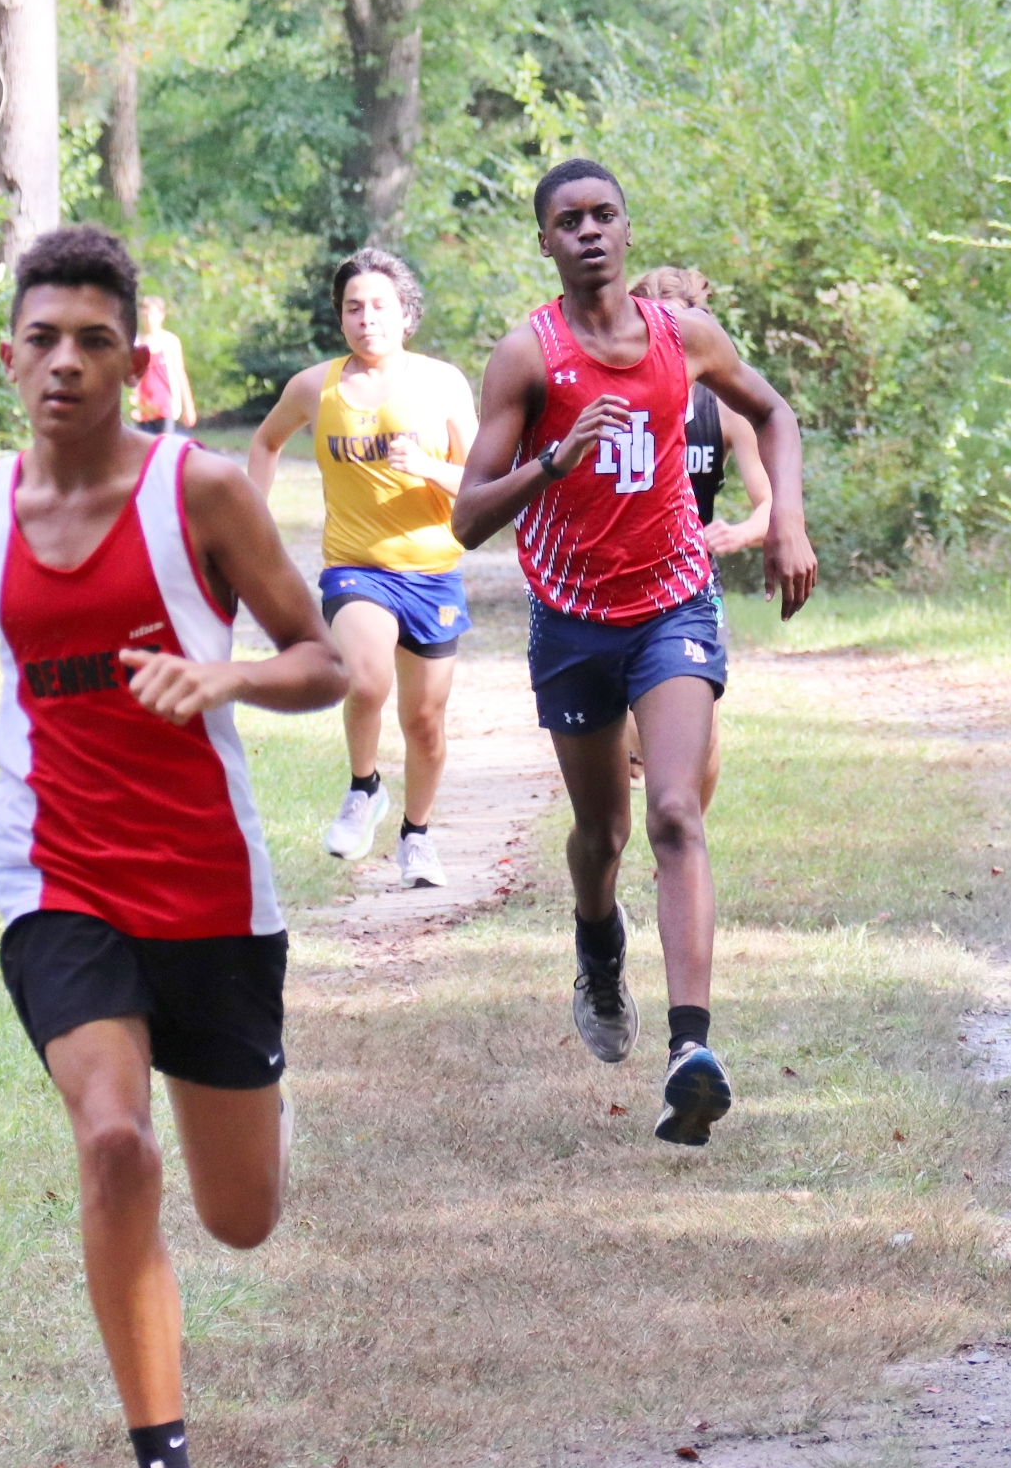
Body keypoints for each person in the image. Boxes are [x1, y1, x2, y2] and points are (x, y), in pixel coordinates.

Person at [0, 225, 345, 1468]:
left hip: (209, 888)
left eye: (94, 341)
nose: (65, 363)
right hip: (57, 879)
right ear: (11, 357)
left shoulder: (201, 497)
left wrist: (229, 674)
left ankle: (246, 1108)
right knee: (115, 1142)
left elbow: (324, 660)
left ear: (135, 363)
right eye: (43, 340)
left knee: (240, 1216)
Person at [451, 160, 817, 1147]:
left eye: (605, 214)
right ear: (545, 242)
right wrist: (552, 460)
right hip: (571, 619)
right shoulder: (524, 358)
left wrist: (785, 519)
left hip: (672, 603)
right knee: (601, 836)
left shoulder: (683, 337)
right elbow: (463, 520)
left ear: (626, 226)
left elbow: (775, 411)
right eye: (568, 220)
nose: (590, 232)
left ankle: (691, 1051)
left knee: (675, 811)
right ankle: (597, 944)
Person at [245, 249, 479, 888]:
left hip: (432, 572)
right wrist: (253, 524)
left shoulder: (442, 383)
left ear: (406, 315)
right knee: (364, 678)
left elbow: (484, 483)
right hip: (355, 568)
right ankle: (363, 787)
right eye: (354, 307)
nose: (366, 318)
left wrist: (429, 467)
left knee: (424, 722)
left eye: (379, 306)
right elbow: (266, 442)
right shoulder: (313, 387)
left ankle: (417, 836)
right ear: (340, 318)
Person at [624, 265, 774, 805]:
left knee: (702, 733)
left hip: (691, 583)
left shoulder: (723, 408)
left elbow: (770, 503)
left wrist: (744, 531)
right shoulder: (613, 399)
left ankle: (686, 843)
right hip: (615, 579)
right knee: (628, 725)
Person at [132, 295, 197, 437]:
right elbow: (131, 375)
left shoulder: (170, 341)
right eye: (145, 314)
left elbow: (180, 373)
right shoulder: (136, 343)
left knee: (164, 448)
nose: (149, 319)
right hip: (143, 407)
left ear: (161, 316)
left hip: (165, 405)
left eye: (153, 314)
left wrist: (189, 407)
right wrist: (132, 403)